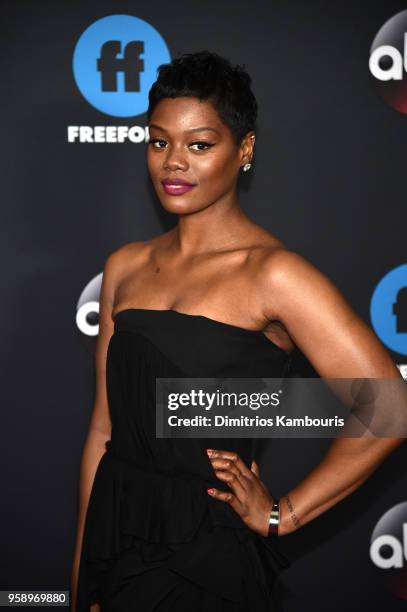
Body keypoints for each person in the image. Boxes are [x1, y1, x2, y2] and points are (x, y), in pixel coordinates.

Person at [70, 50, 404, 611]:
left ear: (243, 150)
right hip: (118, 543)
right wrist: (84, 576)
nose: (173, 162)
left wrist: (282, 514)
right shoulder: (124, 265)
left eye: (200, 144)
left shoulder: (274, 274)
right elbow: (104, 432)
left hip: (205, 565)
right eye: (159, 142)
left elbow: (388, 407)